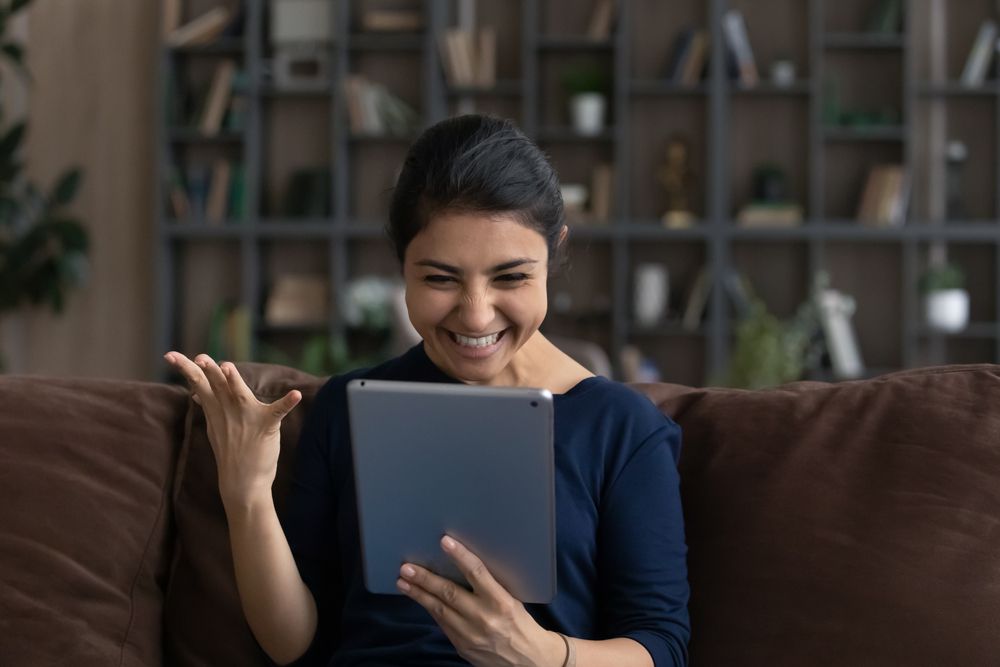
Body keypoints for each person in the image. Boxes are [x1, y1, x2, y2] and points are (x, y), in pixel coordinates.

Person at [164, 114, 690, 667]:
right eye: (440, 278)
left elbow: (660, 646)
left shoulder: (623, 429)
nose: (477, 313)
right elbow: (297, 644)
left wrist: (539, 654)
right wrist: (246, 493)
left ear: (554, 253)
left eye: (511, 277)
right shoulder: (347, 409)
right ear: (403, 265)